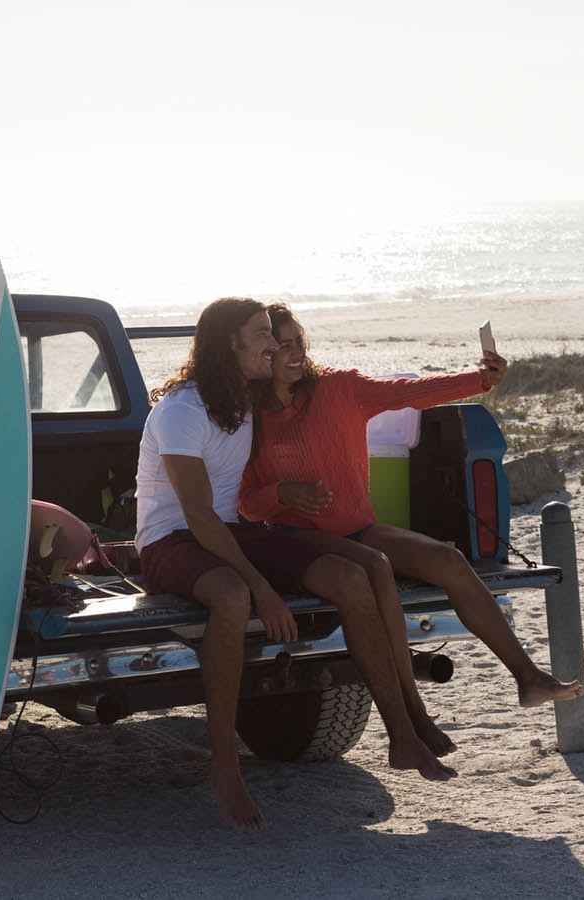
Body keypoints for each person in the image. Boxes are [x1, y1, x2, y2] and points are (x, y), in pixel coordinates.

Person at [136, 297, 456, 830]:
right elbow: (199, 519)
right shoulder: (180, 412)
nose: (274, 344)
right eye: (262, 335)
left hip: (232, 532)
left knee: (356, 571)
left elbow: (313, 399)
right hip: (172, 540)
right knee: (233, 596)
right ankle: (224, 764)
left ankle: (402, 734)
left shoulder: (245, 399)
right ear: (229, 344)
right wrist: (263, 589)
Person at [240, 303, 584, 739]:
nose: (293, 355)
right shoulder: (249, 418)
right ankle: (410, 719)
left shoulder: (340, 388)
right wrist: (282, 495)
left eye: (298, 344)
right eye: (280, 347)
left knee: (448, 559)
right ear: (262, 353)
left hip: (358, 529)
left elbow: (411, 392)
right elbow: (248, 504)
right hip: (298, 544)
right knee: (371, 569)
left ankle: (528, 678)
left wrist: (480, 381)